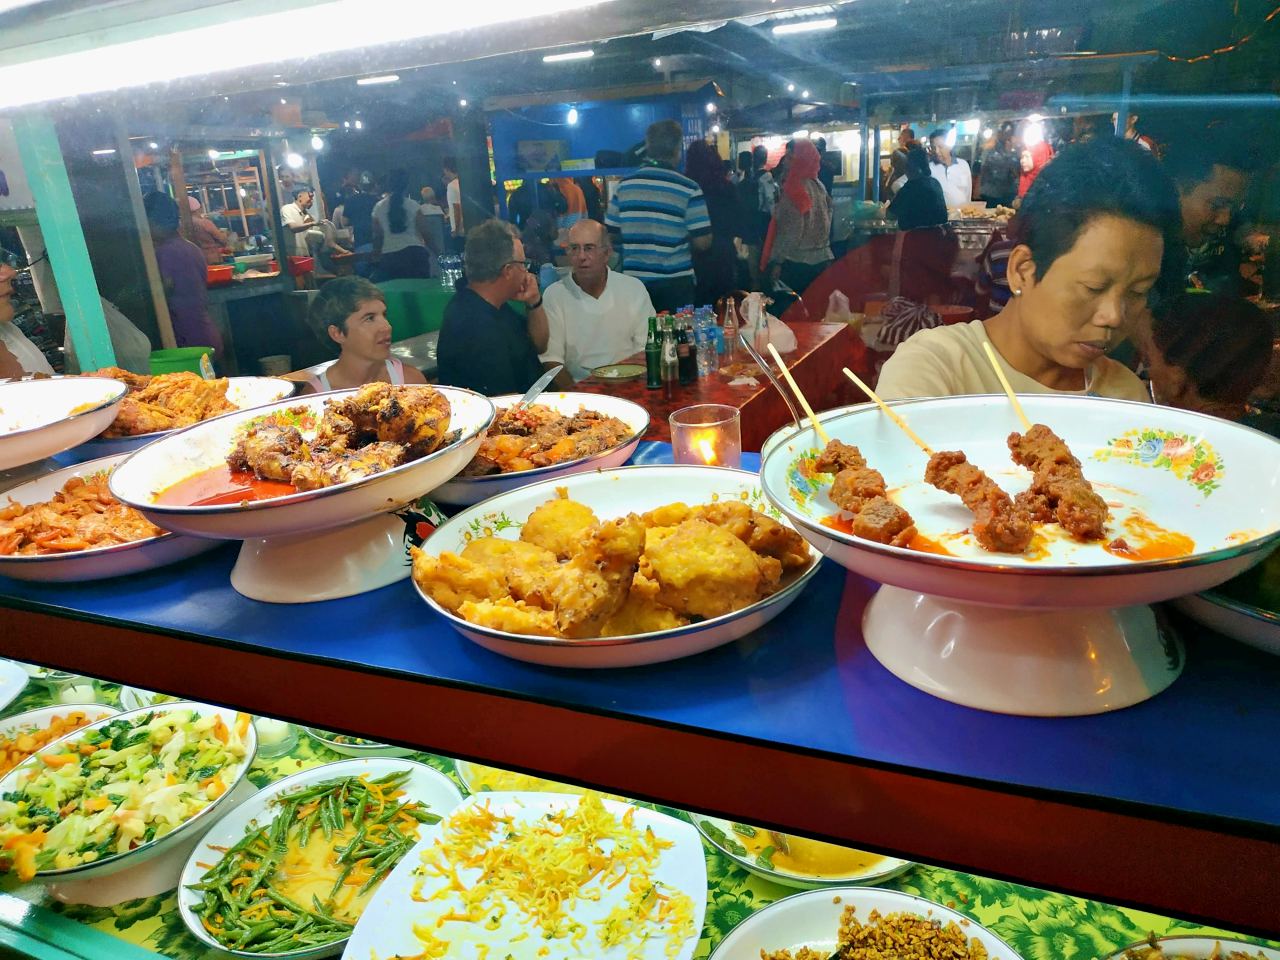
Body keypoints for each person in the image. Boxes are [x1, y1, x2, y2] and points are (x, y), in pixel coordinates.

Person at [876, 138, 1183, 402]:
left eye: (1138, 292)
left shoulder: (1124, 395)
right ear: (1022, 270)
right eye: (1094, 287)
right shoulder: (935, 370)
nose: (1115, 316)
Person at [605, 119, 712, 313]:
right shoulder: (689, 188)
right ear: (677, 149)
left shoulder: (624, 186)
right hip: (676, 283)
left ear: (648, 146)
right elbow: (703, 242)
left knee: (639, 339)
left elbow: (610, 234)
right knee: (679, 340)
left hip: (634, 282)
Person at [436, 219, 548, 395]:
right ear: (508, 271)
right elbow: (502, 403)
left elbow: (540, 345)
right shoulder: (473, 324)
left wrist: (534, 301)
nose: (527, 273)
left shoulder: (495, 305)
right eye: (523, 265)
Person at [539, 219, 655, 388]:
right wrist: (578, 400)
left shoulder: (633, 288)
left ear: (607, 253)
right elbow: (551, 360)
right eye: (574, 248)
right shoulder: (555, 295)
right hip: (580, 391)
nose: (581, 257)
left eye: (589, 248)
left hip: (631, 384)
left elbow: (646, 349)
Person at [1141, 290, 1272, 420]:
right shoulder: (1267, 432)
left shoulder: (1147, 432)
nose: (1146, 375)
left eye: (1147, 360)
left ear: (1177, 376)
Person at [299, 277, 427, 393]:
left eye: (384, 315)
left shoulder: (410, 382)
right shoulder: (315, 397)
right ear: (337, 333)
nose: (387, 327)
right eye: (370, 318)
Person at [1163, 137, 1257, 295]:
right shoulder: (1144, 252)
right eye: (1217, 205)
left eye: (1234, 207)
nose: (1225, 219)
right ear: (1177, 190)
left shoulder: (1226, 238)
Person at [144, 191, 224, 355]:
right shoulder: (191, 248)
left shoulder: (164, 253)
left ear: (154, 222)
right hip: (205, 333)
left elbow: (162, 291)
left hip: (186, 341)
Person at [761, 138, 833, 299]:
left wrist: (777, 262)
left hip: (797, 263)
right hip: (822, 260)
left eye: (789, 157)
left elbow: (792, 231)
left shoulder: (794, 188)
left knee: (794, 318)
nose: (785, 162)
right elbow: (828, 216)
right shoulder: (818, 185)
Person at [684, 139, 743, 307]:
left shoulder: (688, 189)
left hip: (695, 258)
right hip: (724, 256)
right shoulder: (727, 189)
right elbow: (738, 224)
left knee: (698, 310)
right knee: (724, 310)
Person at [371, 169, 433, 282]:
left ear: (388, 185)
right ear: (406, 185)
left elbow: (377, 236)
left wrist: (376, 256)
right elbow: (426, 233)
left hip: (390, 258)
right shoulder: (414, 206)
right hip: (415, 256)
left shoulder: (378, 208)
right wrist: (438, 252)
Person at [737, 144, 775, 289]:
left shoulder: (745, 179)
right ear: (765, 158)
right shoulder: (766, 177)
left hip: (749, 227)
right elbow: (770, 202)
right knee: (763, 263)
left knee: (752, 265)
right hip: (763, 225)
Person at [887, 146, 948, 230]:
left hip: (915, 238)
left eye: (907, 166)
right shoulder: (935, 183)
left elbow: (890, 215)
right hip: (939, 236)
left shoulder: (910, 187)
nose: (906, 169)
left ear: (914, 168)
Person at [927, 129, 972, 209]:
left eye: (940, 147)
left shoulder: (963, 165)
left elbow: (968, 192)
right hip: (940, 217)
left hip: (961, 215)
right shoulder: (928, 168)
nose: (937, 151)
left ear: (950, 146)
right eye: (934, 147)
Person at [978, 123, 1019, 208]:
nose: (1007, 135)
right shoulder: (990, 149)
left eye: (1010, 133)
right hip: (991, 193)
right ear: (999, 133)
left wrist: (1010, 153)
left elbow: (1016, 173)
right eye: (1005, 132)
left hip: (1009, 193)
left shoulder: (1015, 152)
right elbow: (983, 169)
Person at [186, 196, 227, 265]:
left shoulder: (180, 224)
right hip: (210, 258)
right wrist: (224, 233)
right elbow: (222, 239)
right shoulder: (204, 223)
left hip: (192, 259)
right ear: (198, 209)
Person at [280, 188, 316, 257]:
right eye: (310, 197)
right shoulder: (287, 209)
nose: (312, 200)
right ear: (300, 196)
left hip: (306, 256)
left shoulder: (308, 216)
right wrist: (312, 223)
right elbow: (293, 228)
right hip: (292, 258)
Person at [442, 156, 464, 252]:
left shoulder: (451, 186)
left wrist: (456, 230)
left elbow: (456, 208)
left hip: (460, 230)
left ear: (447, 169)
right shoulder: (463, 182)